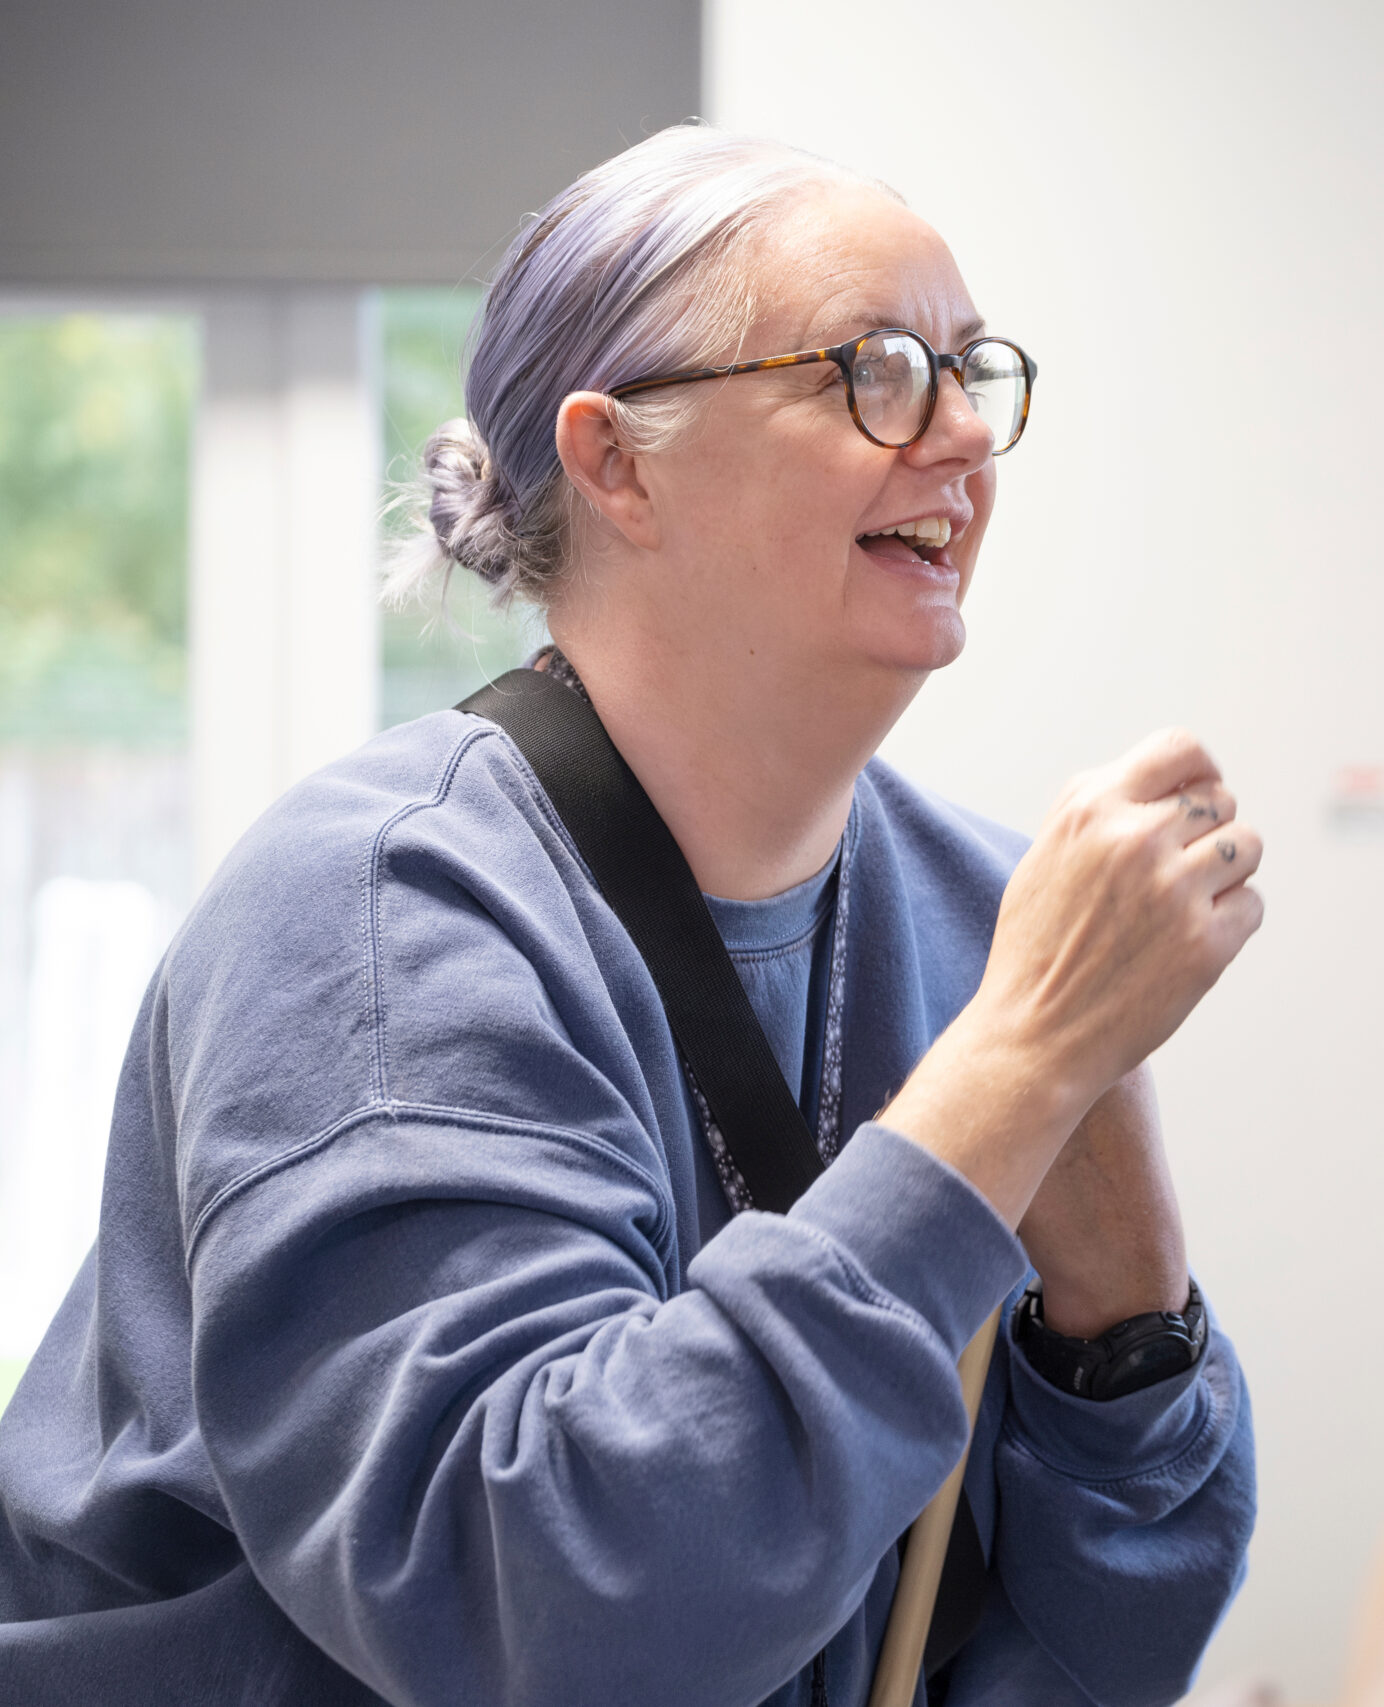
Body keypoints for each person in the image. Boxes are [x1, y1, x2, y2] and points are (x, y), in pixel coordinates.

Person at [0, 125, 1261, 1706]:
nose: (960, 437)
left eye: (970, 370)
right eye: (873, 370)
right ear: (615, 462)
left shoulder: (985, 920)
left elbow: (1097, 1644)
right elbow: (553, 1609)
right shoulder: (382, 914)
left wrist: (1124, 1320)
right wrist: (1014, 1074)